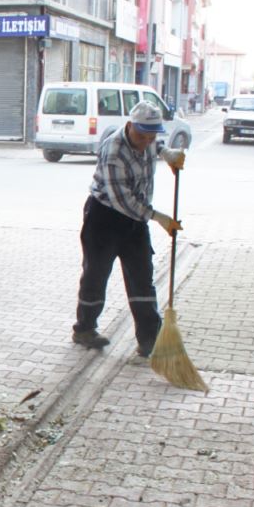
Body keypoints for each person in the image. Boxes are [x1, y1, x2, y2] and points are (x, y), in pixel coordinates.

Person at [72, 101, 185, 358]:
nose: (146, 141)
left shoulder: (148, 139)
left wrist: (166, 152)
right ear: (130, 125)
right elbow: (122, 200)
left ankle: (149, 339)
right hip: (104, 218)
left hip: (136, 220)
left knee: (142, 279)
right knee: (96, 275)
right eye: (142, 135)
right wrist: (159, 217)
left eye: (152, 135)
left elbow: (154, 144)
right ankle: (84, 329)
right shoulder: (113, 150)